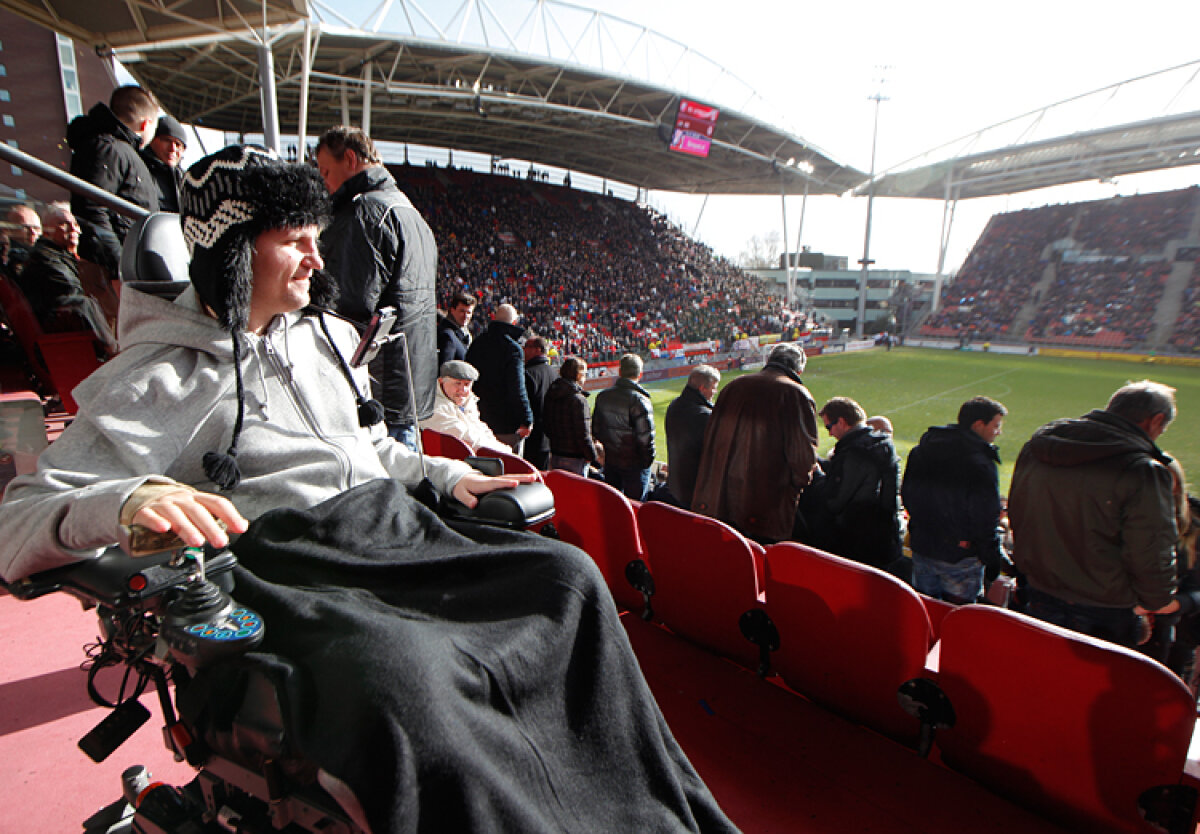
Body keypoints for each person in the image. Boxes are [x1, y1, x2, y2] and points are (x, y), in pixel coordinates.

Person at [0, 145, 735, 834]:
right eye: (294, 240)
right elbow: (18, 520)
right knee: (409, 677)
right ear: (231, 246)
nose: (318, 257)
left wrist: (449, 475)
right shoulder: (158, 377)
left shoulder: (310, 338)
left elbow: (369, 447)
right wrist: (126, 503)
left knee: (568, 580)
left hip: (390, 532)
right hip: (292, 565)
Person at [1008, 381, 1181, 647]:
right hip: (1105, 610)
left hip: (1038, 591)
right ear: (1155, 420)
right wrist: (1156, 602)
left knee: (1042, 675)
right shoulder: (1142, 469)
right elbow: (1150, 548)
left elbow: (1018, 514)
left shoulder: (1037, 448)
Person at [316, 126, 438, 449]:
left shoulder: (364, 211)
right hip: (408, 393)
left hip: (374, 397)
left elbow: (345, 310)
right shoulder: (411, 213)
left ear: (351, 159)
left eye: (326, 171)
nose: (324, 183)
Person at [692, 343, 819, 544]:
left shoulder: (733, 386)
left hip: (720, 498)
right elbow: (803, 459)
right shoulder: (796, 394)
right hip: (765, 504)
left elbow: (711, 438)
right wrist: (798, 484)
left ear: (769, 361)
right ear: (799, 369)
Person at [901, 396, 1009, 604]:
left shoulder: (922, 451)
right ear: (979, 425)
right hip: (960, 558)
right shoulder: (980, 464)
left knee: (926, 610)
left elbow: (909, 496)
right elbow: (985, 518)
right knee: (959, 618)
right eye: (996, 425)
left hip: (923, 548)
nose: (999, 432)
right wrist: (992, 559)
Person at [67, 84, 158, 273]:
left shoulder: (111, 149)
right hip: (116, 269)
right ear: (145, 124)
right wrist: (120, 266)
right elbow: (93, 210)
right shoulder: (111, 149)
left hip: (121, 263)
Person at [813, 397, 904, 575]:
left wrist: (817, 476)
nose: (830, 433)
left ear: (842, 422)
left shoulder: (855, 453)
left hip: (857, 542)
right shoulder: (882, 445)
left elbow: (835, 501)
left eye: (829, 427)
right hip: (883, 539)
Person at [13, 202, 117, 353]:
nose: (73, 228)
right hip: (58, 341)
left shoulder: (73, 259)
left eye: (75, 224)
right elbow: (70, 290)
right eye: (63, 224)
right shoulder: (44, 257)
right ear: (47, 231)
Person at [465, 303, 533, 454]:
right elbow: (517, 387)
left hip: (479, 418)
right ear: (514, 322)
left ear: (494, 318)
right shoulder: (512, 348)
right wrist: (527, 419)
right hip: (506, 424)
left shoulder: (477, 343)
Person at [592, 353, 656, 501]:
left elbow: (596, 430)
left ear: (620, 372)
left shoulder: (603, 396)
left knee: (613, 505)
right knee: (635, 508)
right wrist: (645, 464)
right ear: (640, 374)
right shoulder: (640, 400)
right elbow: (646, 439)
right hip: (634, 467)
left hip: (612, 462)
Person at [419, 359, 504, 454]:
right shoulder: (432, 406)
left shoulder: (469, 401)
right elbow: (461, 434)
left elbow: (480, 428)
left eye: (467, 384)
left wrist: (503, 449)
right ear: (441, 381)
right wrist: (500, 452)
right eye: (457, 383)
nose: (463, 389)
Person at [664, 364, 719, 507]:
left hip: (675, 484)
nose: (715, 392)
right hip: (696, 489)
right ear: (702, 388)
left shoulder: (674, 405)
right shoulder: (704, 416)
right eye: (713, 388)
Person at [543, 356, 601, 476]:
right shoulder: (578, 400)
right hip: (575, 458)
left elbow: (547, 424)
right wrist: (592, 456)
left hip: (555, 453)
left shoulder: (551, 394)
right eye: (585, 373)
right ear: (579, 375)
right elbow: (583, 434)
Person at [522, 335, 557, 470]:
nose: (523, 350)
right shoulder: (554, 373)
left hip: (532, 438)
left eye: (527, 347)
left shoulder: (527, 374)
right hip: (550, 438)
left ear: (537, 350)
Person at [140, 115, 187, 213]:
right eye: (167, 140)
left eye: (178, 144)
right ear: (152, 140)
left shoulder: (185, 179)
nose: (173, 149)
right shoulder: (138, 166)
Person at [437, 290, 475, 364]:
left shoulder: (463, 333)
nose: (465, 316)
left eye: (468, 312)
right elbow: (445, 368)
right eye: (462, 311)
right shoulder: (447, 335)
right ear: (452, 310)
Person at [4, 203, 41, 276]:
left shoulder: (45, 251)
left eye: (36, 228)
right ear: (9, 230)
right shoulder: (6, 256)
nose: (33, 232)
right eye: (25, 227)